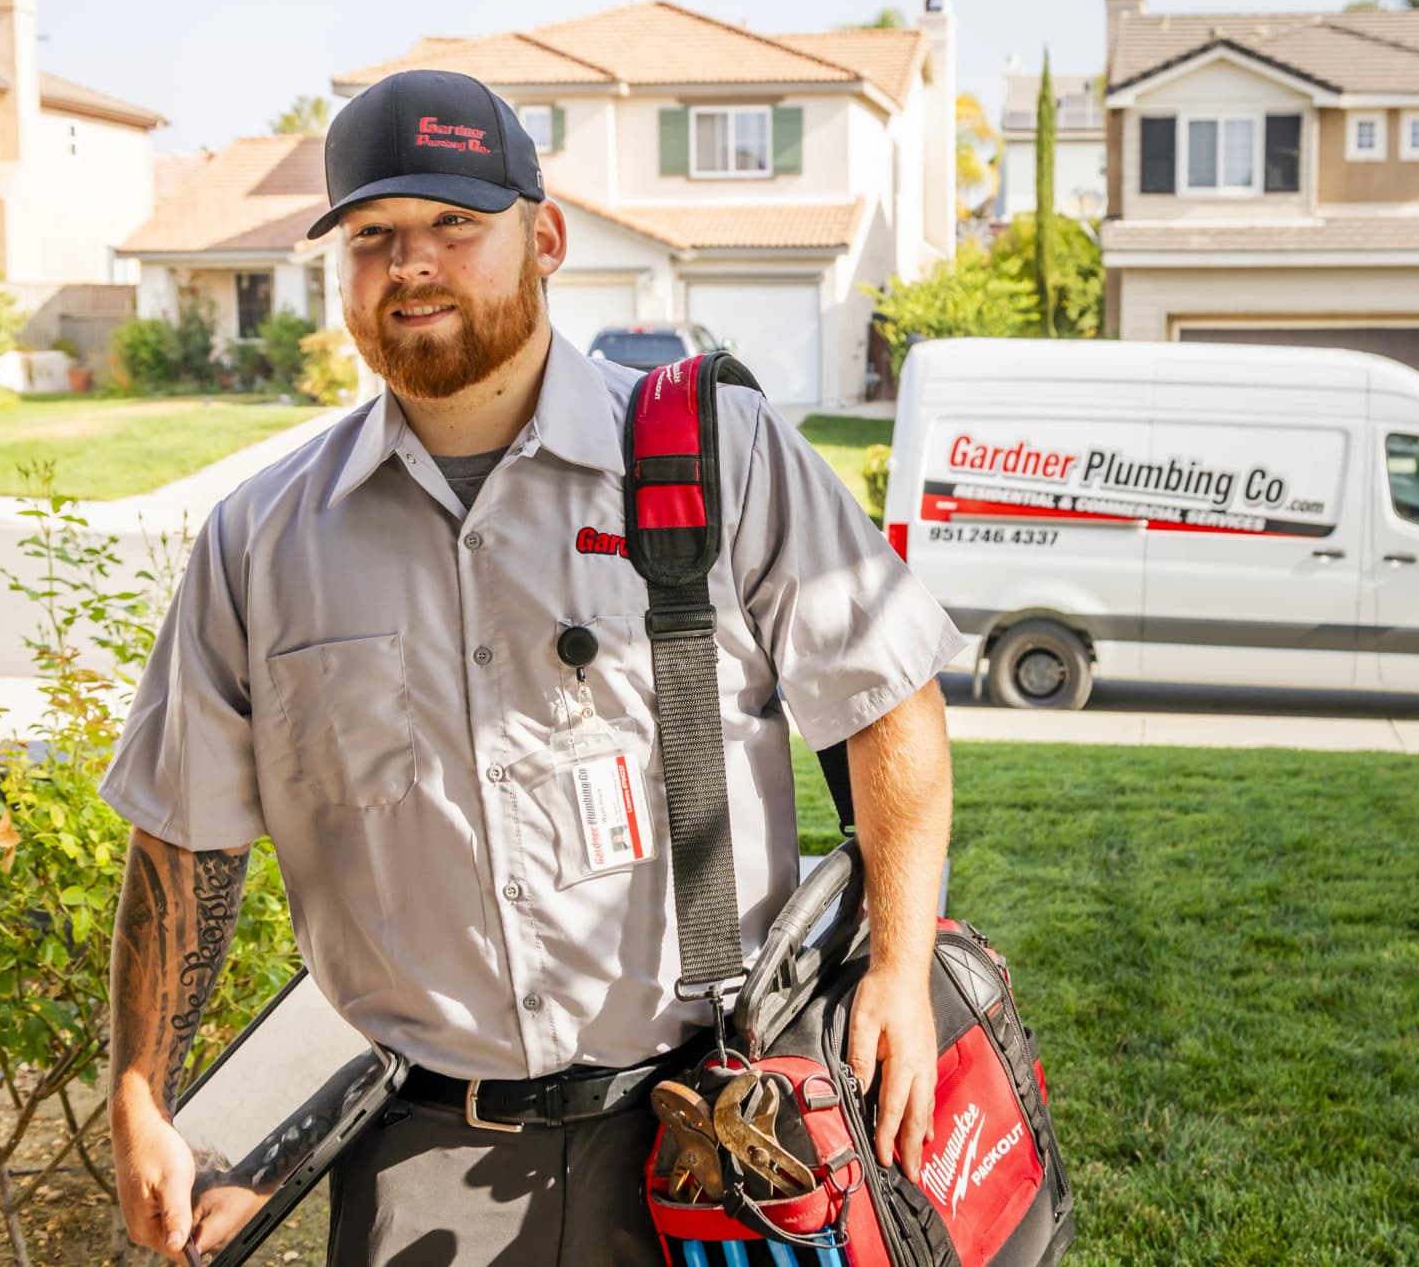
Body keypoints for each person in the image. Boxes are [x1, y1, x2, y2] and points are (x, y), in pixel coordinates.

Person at [103, 69, 965, 1265]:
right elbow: (184, 837)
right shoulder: (259, 540)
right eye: (372, 236)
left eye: (456, 225)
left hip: (716, 1127)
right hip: (418, 1158)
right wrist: (142, 1087)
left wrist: (900, 970)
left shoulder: (717, 452)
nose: (412, 263)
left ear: (545, 237)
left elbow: (887, 705)